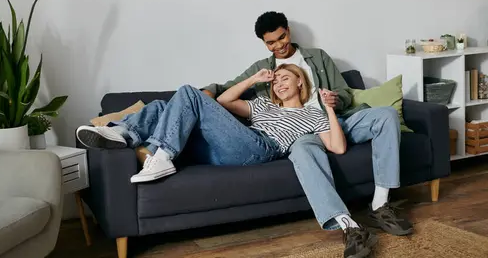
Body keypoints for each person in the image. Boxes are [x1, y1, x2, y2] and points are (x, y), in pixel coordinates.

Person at [200, 11, 413, 258]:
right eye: (271, 42)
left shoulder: (318, 57)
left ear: (288, 30)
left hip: (336, 119)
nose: (279, 45)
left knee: (386, 115)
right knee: (301, 149)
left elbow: (343, 91)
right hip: (303, 132)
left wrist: (336, 100)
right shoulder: (262, 69)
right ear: (264, 43)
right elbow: (227, 90)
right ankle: (348, 227)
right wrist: (207, 92)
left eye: (282, 37)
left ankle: (380, 206)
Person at [76, 63, 344, 182]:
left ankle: (161, 155)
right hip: (229, 148)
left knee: (189, 93)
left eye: (286, 78)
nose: (280, 84)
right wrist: (253, 80)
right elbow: (223, 103)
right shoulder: (263, 104)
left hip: (261, 148)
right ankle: (121, 133)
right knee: (159, 106)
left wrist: (329, 109)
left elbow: (338, 148)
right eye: (276, 80)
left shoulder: (312, 115)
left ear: (300, 81)